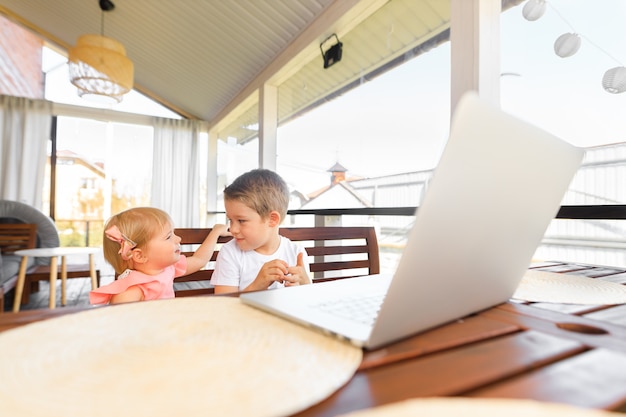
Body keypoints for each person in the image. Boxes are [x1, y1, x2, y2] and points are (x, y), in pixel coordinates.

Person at [90, 207, 228, 305]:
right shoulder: (130, 291)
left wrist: (215, 233)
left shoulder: (168, 268)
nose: (178, 239)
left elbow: (199, 260)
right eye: (169, 237)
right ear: (139, 256)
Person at [211, 169, 311, 294]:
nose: (232, 229)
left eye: (241, 221)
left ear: (272, 220)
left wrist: (306, 284)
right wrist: (257, 286)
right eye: (230, 220)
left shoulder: (297, 253)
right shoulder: (230, 253)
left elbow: (307, 301)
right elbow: (223, 306)